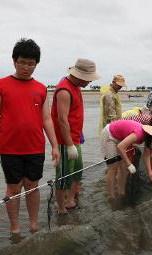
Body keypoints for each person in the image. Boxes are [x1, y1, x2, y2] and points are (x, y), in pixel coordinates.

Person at [0, 39, 60, 234]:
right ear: (14, 61)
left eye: (31, 63)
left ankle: (33, 225)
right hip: (9, 148)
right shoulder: (0, 85)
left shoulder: (41, 88)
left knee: (32, 186)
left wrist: (54, 146)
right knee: (13, 189)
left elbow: (46, 119)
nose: (26, 67)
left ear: (36, 64)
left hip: (35, 147)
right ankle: (15, 228)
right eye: (22, 62)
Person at [51, 58, 100, 215]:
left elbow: (75, 115)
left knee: (77, 170)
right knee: (64, 176)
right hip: (64, 141)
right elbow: (62, 120)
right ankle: (61, 209)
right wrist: (69, 144)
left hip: (75, 138)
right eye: (89, 79)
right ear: (80, 76)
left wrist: (78, 136)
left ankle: (70, 200)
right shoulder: (64, 90)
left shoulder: (76, 87)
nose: (90, 82)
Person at [101, 119, 152, 199]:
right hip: (109, 134)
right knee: (113, 168)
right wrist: (129, 163)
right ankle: (111, 197)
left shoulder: (150, 138)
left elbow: (146, 155)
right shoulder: (139, 134)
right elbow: (120, 147)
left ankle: (121, 193)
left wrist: (150, 172)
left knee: (123, 168)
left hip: (120, 137)